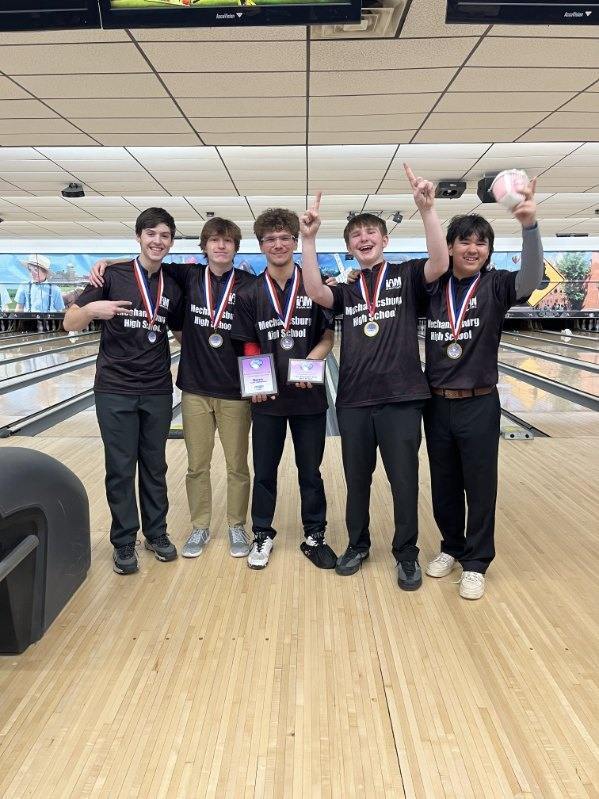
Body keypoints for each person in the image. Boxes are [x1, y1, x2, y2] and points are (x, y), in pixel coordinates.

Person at [299, 165, 449, 591]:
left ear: (385, 240)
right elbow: (314, 291)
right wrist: (307, 240)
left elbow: (440, 262)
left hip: (402, 398)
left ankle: (406, 554)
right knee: (356, 479)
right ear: (349, 246)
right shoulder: (347, 290)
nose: (364, 239)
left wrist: (428, 210)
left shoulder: (405, 277)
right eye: (355, 235)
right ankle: (358, 545)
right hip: (354, 401)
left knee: (404, 481)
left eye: (371, 233)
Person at [90, 218, 256, 560]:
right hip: (194, 389)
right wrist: (106, 263)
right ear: (205, 246)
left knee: (237, 466)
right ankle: (200, 526)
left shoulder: (250, 285)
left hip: (236, 391)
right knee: (197, 465)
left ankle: (237, 525)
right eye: (214, 240)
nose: (221, 246)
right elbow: (149, 259)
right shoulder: (189, 276)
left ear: (236, 247)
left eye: (228, 241)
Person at [423, 179, 543, 600]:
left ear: (488, 251)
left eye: (481, 243)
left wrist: (529, 226)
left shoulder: (496, 286)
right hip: (436, 404)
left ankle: (476, 562)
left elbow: (533, 276)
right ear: (451, 247)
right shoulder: (432, 287)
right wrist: (429, 212)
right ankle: (451, 548)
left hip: (479, 403)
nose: (472, 249)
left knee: (480, 485)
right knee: (443, 485)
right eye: (464, 242)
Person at [63, 208, 182, 575]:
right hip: (115, 387)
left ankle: (157, 533)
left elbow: (178, 332)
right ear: (138, 237)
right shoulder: (110, 276)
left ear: (172, 241)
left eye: (164, 235)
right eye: (151, 233)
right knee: (120, 467)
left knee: (155, 465)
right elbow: (70, 322)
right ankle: (124, 540)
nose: (157, 240)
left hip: (157, 388)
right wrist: (92, 309)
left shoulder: (173, 284)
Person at [231, 208, 336, 571]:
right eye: (270, 239)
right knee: (264, 471)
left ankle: (315, 535)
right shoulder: (248, 291)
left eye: (284, 238)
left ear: (295, 242)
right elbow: (247, 343)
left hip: (308, 398)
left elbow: (327, 336)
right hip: (267, 399)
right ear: (261, 245)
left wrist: (314, 361)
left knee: (311, 471)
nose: (278, 244)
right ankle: (262, 532)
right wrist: (254, 383)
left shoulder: (314, 284)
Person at [15, 255, 65, 329]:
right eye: (30, 270)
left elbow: (59, 311)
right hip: (29, 324)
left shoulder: (55, 289)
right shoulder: (24, 286)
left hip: (50, 325)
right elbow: (19, 308)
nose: (32, 273)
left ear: (45, 272)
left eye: (35, 270)